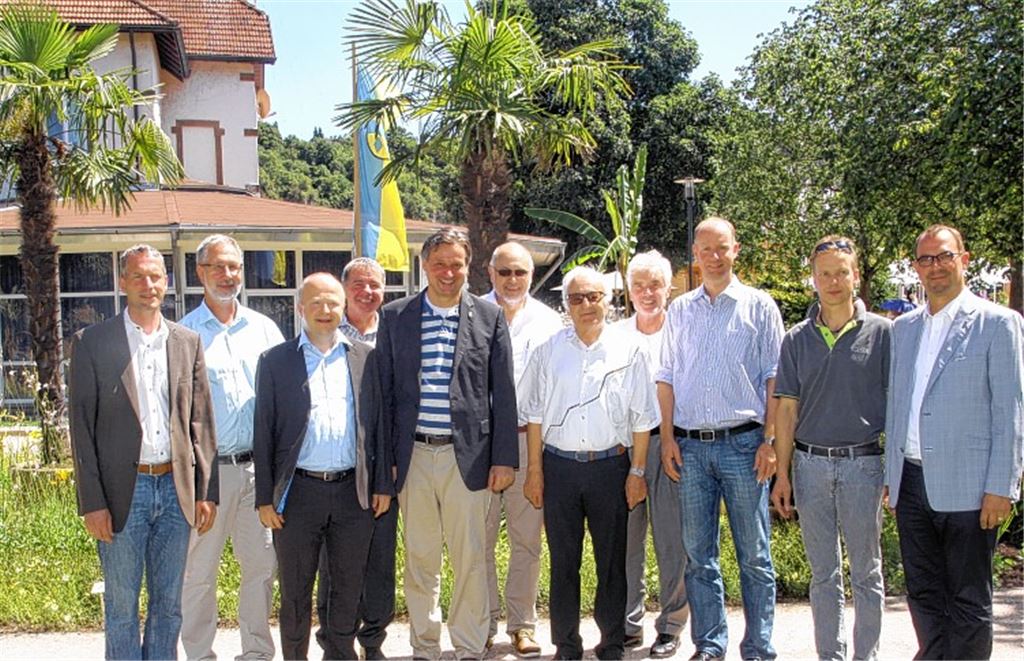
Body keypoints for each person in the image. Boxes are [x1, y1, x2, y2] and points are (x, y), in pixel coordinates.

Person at [69, 244, 218, 660]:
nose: (148, 285)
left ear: (166, 282)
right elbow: (81, 430)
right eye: (138, 276)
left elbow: (201, 422)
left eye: (156, 276)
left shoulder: (187, 341)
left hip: (175, 490)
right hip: (123, 493)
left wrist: (206, 490)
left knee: (168, 607)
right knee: (121, 608)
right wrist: (92, 503)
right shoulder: (92, 343)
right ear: (122, 282)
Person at [375, 228, 518, 660]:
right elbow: (383, 395)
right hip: (413, 456)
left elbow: (503, 393)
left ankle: (470, 646)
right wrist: (388, 464)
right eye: (439, 264)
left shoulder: (489, 317)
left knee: (471, 558)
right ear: (425, 266)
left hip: (468, 459)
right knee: (420, 559)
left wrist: (504, 459)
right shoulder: (396, 316)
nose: (448, 272)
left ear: (467, 266)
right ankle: (425, 646)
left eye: (456, 264)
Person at [884, 224, 1024, 660]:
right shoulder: (903, 329)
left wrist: (1003, 486)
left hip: (970, 487)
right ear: (915, 268)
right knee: (924, 593)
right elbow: (898, 404)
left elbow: (1011, 411)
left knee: (967, 598)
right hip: (911, 483)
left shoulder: (998, 323)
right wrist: (893, 475)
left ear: (963, 260)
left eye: (944, 256)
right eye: (925, 259)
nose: (935, 267)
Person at [657, 217, 784, 661]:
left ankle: (759, 647)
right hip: (690, 449)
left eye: (722, 248)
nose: (714, 256)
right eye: (705, 248)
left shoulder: (759, 306)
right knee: (699, 556)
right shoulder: (680, 310)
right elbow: (667, 377)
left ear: (736, 250)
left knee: (755, 555)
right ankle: (710, 645)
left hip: (745, 446)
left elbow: (775, 379)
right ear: (694, 253)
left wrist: (770, 440)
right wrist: (668, 438)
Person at [520, 265, 659, 661]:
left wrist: (637, 472)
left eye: (593, 296)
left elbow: (643, 419)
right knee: (564, 564)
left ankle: (611, 643)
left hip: (611, 468)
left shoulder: (630, 350)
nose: (586, 305)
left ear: (609, 301)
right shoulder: (548, 350)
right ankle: (566, 645)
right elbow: (533, 415)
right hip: (559, 468)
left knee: (612, 564)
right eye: (577, 298)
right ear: (566, 304)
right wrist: (534, 472)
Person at [253, 273, 392, 660]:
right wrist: (266, 498)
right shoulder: (276, 362)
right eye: (316, 303)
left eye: (333, 302)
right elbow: (263, 432)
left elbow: (377, 427)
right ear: (301, 308)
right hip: (299, 494)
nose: (325, 311)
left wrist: (382, 485)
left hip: (353, 493)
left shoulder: (366, 357)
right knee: (296, 591)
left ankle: (339, 654)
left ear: (343, 306)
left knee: (347, 588)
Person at [770, 236, 891, 660]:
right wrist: (782, 474)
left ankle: (866, 655)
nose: (834, 281)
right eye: (825, 274)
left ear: (855, 275)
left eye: (842, 272)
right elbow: (786, 411)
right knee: (823, 575)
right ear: (813, 279)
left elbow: (895, 406)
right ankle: (831, 656)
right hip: (810, 466)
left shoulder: (883, 334)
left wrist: (893, 473)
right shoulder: (796, 339)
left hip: (864, 465)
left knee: (867, 573)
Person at [179, 234, 283, 661]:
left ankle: (256, 652)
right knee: (199, 572)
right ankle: (200, 654)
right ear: (200, 272)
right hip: (207, 474)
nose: (227, 275)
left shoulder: (265, 329)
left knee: (261, 569)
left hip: (257, 472)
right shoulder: (184, 333)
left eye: (234, 267)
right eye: (218, 266)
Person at [482, 241, 563, 658]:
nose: (512, 280)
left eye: (521, 273)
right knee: (476, 541)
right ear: (490, 272)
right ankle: (482, 622)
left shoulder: (550, 323)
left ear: (531, 276)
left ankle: (522, 625)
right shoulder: (471, 313)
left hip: (529, 441)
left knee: (526, 539)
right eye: (505, 272)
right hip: (479, 443)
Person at [315, 257, 396, 661]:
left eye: (375, 285)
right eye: (359, 284)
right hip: (342, 465)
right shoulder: (325, 331)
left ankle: (373, 640)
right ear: (346, 289)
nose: (367, 292)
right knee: (336, 563)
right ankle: (334, 640)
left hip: (385, 464)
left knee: (380, 558)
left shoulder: (396, 330)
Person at [614, 251, 689, 659]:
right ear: (629, 291)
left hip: (669, 444)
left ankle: (671, 625)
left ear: (668, 288)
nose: (647, 293)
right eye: (639, 285)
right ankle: (629, 622)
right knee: (626, 541)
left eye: (654, 285)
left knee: (671, 540)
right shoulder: (617, 335)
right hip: (624, 446)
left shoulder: (681, 333)